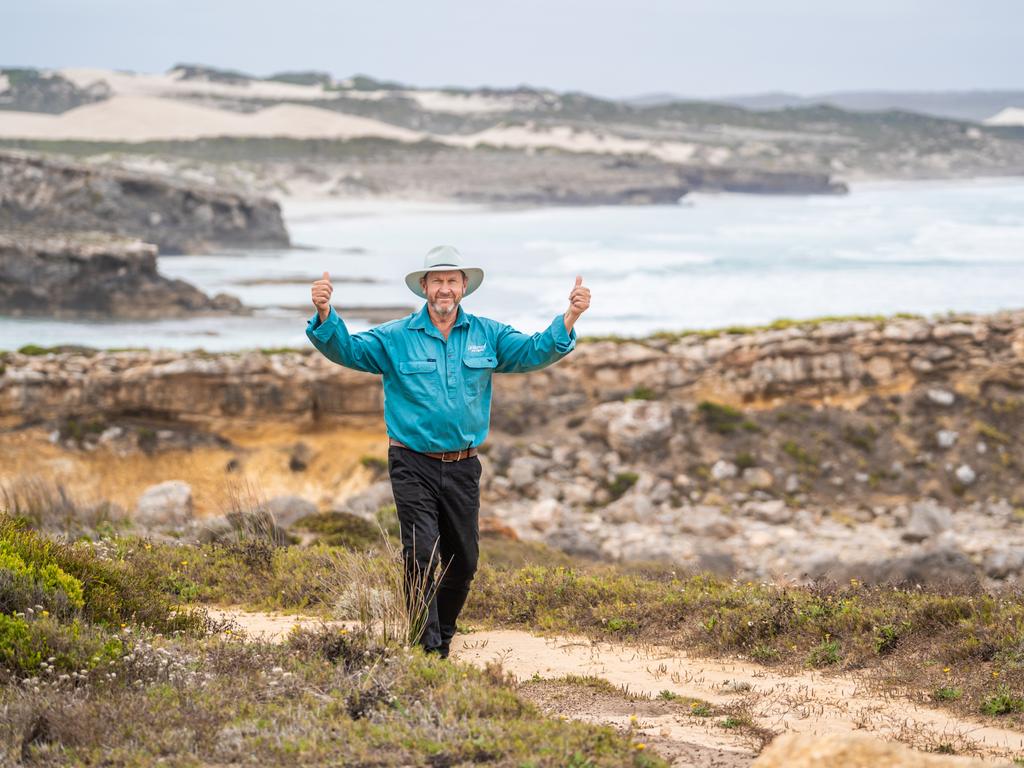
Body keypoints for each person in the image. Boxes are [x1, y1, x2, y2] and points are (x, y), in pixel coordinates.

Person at [306, 244, 591, 658]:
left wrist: (570, 318)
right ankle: (427, 650)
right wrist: (325, 315)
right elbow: (346, 349)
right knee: (420, 554)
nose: (444, 288)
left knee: (465, 563)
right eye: (436, 280)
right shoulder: (395, 337)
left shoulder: (487, 334)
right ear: (424, 287)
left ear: (463, 288)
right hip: (411, 462)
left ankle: (441, 634)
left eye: (452, 281)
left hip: (463, 466)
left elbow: (533, 352)